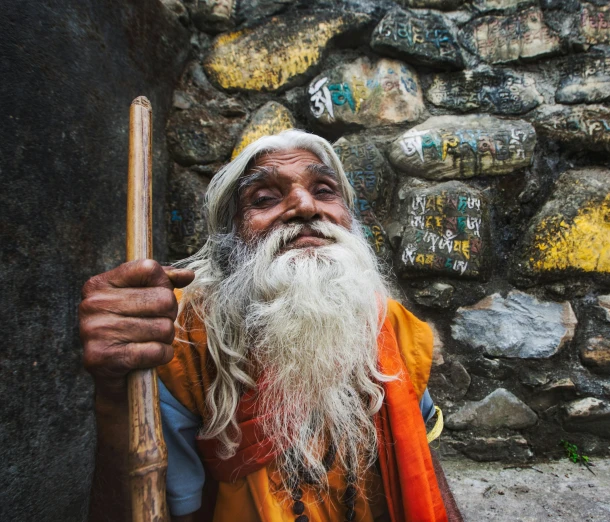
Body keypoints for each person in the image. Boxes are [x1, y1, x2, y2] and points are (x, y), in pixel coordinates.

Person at [80, 130, 464, 522]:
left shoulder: (389, 325)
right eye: (264, 199)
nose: (304, 205)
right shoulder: (181, 341)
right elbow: (164, 509)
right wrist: (113, 398)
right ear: (230, 242)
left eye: (325, 190)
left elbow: (421, 462)